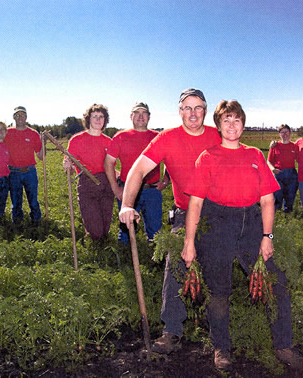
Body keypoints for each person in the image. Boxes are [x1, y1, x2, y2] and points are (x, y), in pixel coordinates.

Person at [182, 100, 303, 370]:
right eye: (226, 120)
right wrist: (189, 242)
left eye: (236, 120)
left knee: (276, 283)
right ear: (218, 126)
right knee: (218, 291)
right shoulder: (208, 157)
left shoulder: (254, 155)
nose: (231, 125)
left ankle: (283, 346)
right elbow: (195, 203)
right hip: (217, 224)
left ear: (243, 124)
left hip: (251, 224)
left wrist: (267, 236)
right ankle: (221, 348)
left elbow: (267, 200)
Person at [118, 88, 221, 355]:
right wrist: (127, 204)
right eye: (187, 107)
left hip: (218, 211)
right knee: (175, 264)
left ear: (206, 110)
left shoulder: (217, 135)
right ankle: (172, 330)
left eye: (198, 107)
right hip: (185, 213)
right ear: (179, 111)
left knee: (216, 267)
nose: (193, 113)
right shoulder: (168, 138)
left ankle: (217, 330)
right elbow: (138, 169)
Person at [104, 102, 167, 244]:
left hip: (152, 190)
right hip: (128, 189)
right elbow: (108, 163)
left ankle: (156, 262)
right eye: (136, 113)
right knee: (126, 229)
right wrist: (116, 188)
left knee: (155, 230)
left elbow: (169, 160)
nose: (140, 116)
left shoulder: (158, 137)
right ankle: (124, 262)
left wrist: (165, 181)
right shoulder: (121, 136)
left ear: (149, 117)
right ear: (131, 116)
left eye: (144, 113)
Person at [63, 104, 114, 240]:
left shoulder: (109, 142)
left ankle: (99, 246)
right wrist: (68, 166)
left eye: (101, 116)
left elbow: (112, 167)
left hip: (107, 184)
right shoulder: (77, 140)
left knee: (105, 228)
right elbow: (70, 163)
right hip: (87, 183)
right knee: (96, 232)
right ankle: (91, 237)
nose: (98, 119)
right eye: (94, 116)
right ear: (88, 119)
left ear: (105, 120)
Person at [6, 106, 44, 224]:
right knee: (16, 201)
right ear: (13, 117)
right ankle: (17, 224)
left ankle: (37, 222)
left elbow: (41, 156)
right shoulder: (7, 133)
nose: (20, 117)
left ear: (26, 117)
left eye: (22, 115)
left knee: (33, 200)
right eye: (17, 115)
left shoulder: (33, 133)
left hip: (30, 172)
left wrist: (43, 143)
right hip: (13, 172)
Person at [267, 124, 299, 213]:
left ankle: (287, 215)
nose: (285, 134)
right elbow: (269, 161)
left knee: (290, 196)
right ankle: (276, 215)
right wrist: (273, 169)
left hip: (291, 174)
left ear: (290, 133)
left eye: (286, 132)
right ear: (279, 134)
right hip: (278, 173)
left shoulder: (295, 146)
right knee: (277, 196)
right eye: (282, 132)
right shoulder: (275, 146)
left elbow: (300, 160)